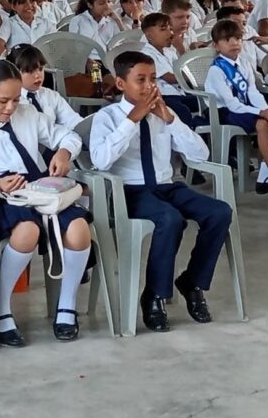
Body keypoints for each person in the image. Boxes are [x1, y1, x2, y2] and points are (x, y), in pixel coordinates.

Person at [87, 53, 230, 331]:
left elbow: (200, 153)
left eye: (152, 79)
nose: (149, 86)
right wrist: (132, 120)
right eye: (140, 80)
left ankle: (192, 281)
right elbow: (100, 160)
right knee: (170, 219)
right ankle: (154, 294)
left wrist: (170, 119)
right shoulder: (107, 117)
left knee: (219, 212)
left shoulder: (162, 113)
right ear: (121, 84)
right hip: (130, 191)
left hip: (167, 186)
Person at [0, 62, 95, 344]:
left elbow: (68, 135)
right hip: (4, 198)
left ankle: (66, 305)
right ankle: (1, 308)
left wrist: (64, 153)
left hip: (42, 191)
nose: (10, 107)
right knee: (27, 231)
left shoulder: (28, 114)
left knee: (79, 229)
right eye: (3, 101)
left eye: (16, 100)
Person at [202, 19, 268, 200]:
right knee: (262, 124)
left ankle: (264, 176)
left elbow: (253, 93)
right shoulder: (216, 70)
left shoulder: (244, 63)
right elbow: (231, 104)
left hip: (245, 108)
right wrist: (262, 113)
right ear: (216, 45)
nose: (234, 43)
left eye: (238, 38)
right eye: (227, 40)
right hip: (224, 112)